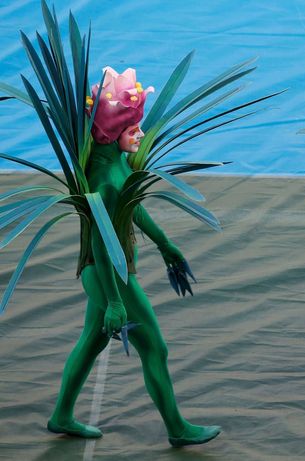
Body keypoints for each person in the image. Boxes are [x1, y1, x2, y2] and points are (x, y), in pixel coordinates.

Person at [46, 67, 220, 447]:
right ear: (111, 133)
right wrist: (112, 300)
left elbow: (133, 207)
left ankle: (61, 415)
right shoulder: (104, 182)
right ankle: (177, 428)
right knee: (155, 347)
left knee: (91, 341)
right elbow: (100, 245)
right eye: (133, 130)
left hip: (113, 268)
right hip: (107, 271)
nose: (140, 135)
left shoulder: (118, 164)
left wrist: (163, 243)